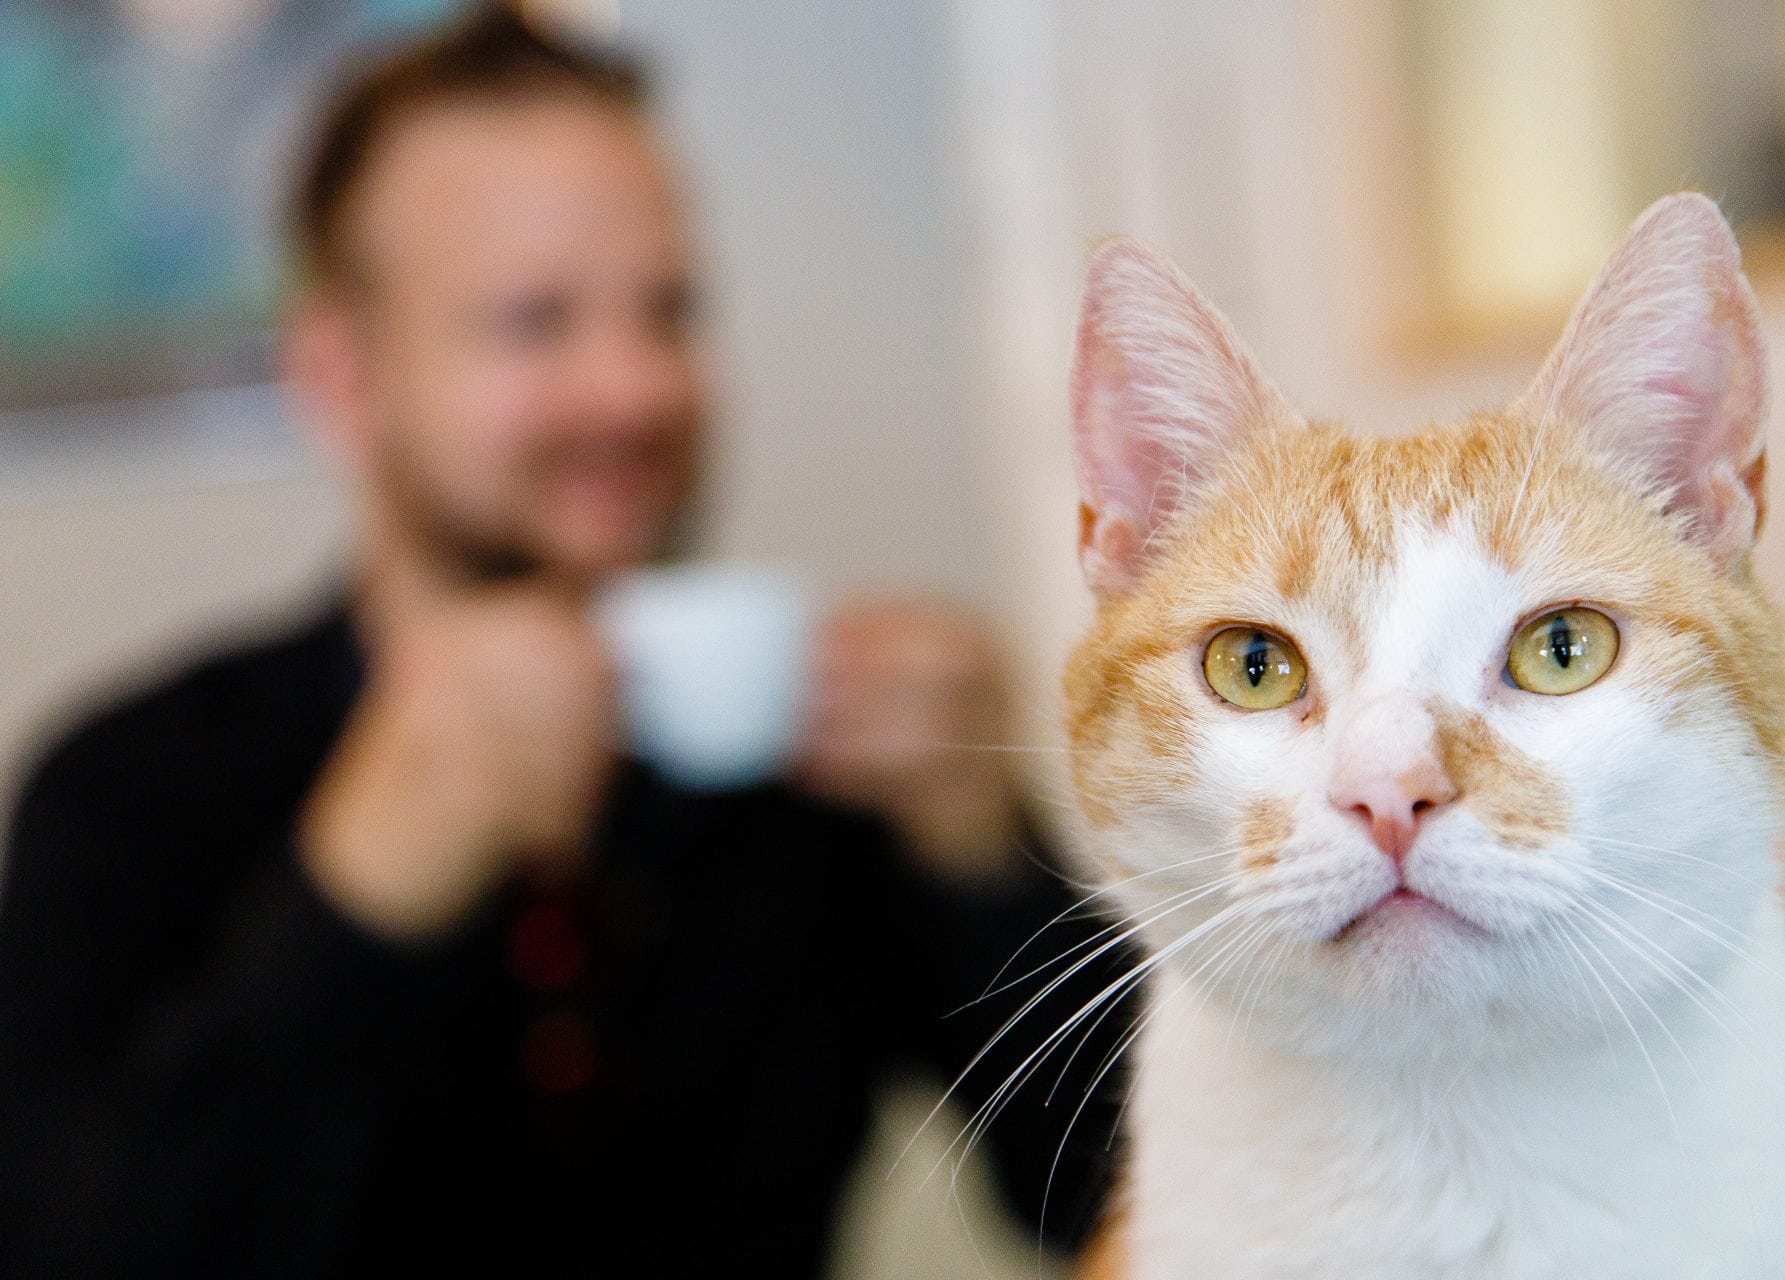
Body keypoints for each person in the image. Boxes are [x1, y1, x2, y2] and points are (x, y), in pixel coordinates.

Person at [0, 8, 1125, 1276]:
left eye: (668, 309)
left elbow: (1118, 1193)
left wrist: (988, 858)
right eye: (536, 319)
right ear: (342, 376)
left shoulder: (814, 775)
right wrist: (353, 898)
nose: (636, 387)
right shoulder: (131, 787)